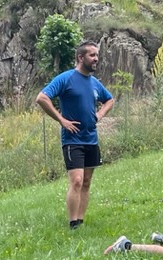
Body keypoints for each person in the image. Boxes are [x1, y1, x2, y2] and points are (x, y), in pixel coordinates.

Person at [36, 41, 115, 229]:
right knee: (77, 180)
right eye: (92, 55)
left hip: (91, 138)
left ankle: (80, 220)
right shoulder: (66, 78)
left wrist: (100, 114)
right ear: (81, 58)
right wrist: (61, 120)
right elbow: (42, 98)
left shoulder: (95, 83)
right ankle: (73, 223)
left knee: (86, 181)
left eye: (97, 55)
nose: (96, 59)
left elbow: (110, 99)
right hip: (72, 140)